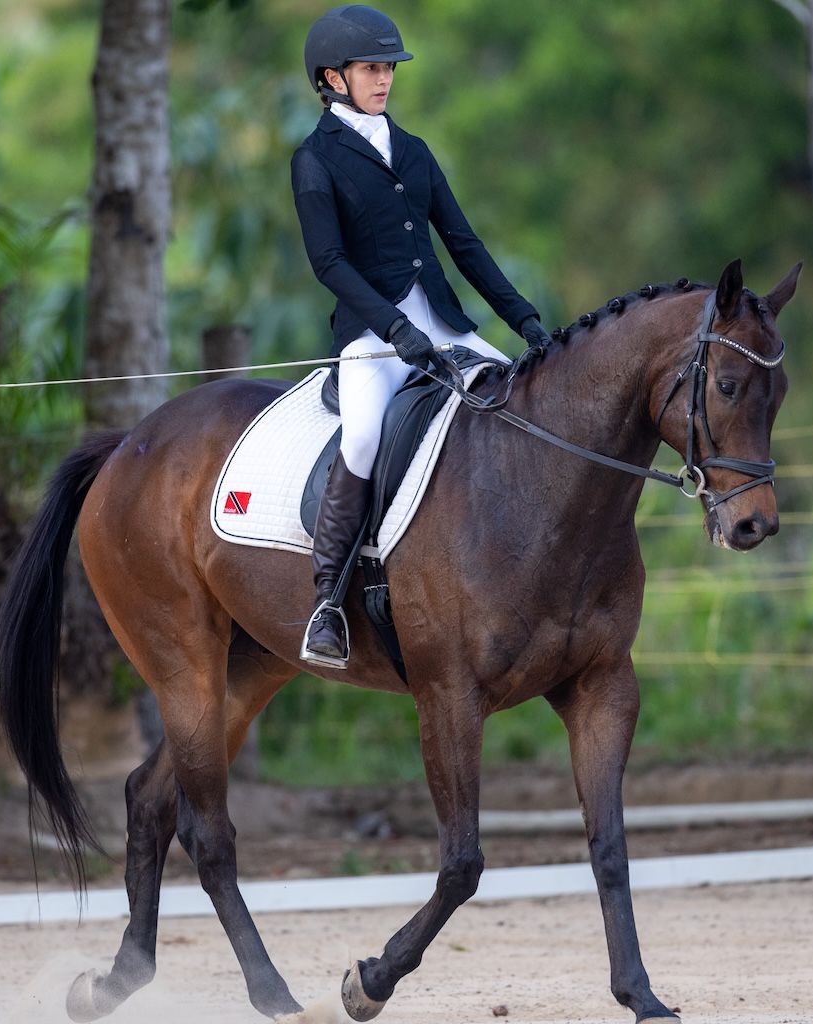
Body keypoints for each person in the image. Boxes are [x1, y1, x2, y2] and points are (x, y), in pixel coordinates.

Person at [294, 4, 550, 668]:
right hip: (374, 337)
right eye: (372, 68)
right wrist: (393, 326)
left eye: (388, 69)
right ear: (332, 77)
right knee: (364, 435)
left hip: (443, 323)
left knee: (522, 404)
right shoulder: (315, 159)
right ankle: (328, 602)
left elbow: (463, 245)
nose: (385, 79)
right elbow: (329, 263)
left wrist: (521, 316)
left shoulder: (413, 150)